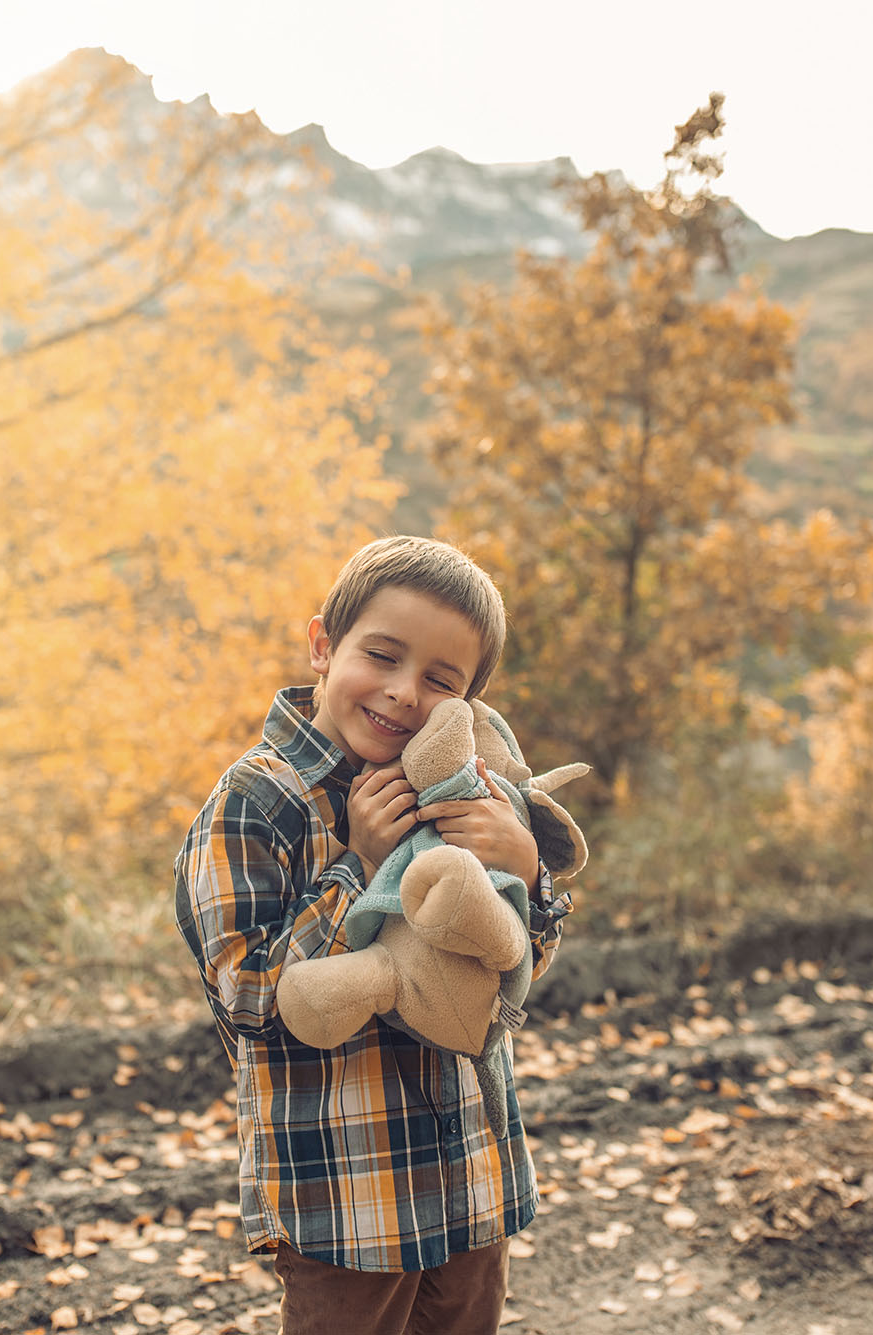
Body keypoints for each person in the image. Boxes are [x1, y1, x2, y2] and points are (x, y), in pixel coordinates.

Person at [173, 535, 579, 1335]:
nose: (402, 693)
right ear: (324, 643)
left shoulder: (467, 791)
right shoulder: (255, 803)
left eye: (439, 679)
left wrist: (528, 872)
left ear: (466, 702)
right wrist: (358, 864)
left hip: (469, 1170)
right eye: (383, 655)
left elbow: (507, 981)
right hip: (348, 1199)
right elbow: (249, 1001)